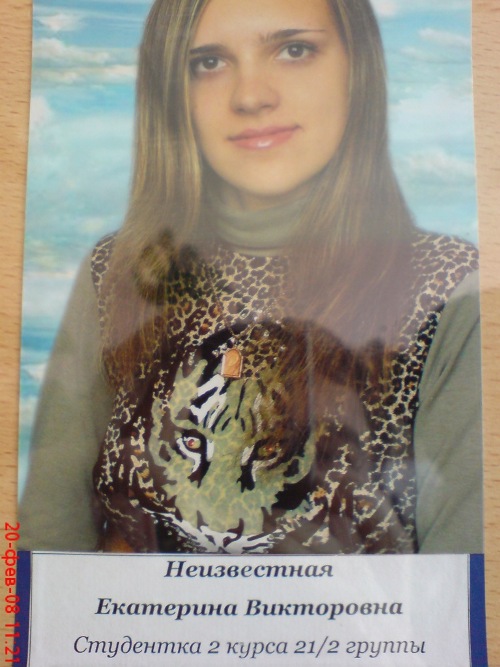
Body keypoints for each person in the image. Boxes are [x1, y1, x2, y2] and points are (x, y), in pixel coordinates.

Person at [19, 0, 482, 555]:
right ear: (170, 91)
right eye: (208, 63)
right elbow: (45, 550)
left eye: (294, 50)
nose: (250, 96)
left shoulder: (448, 285)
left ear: (358, 67)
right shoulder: (117, 271)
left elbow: (465, 583)